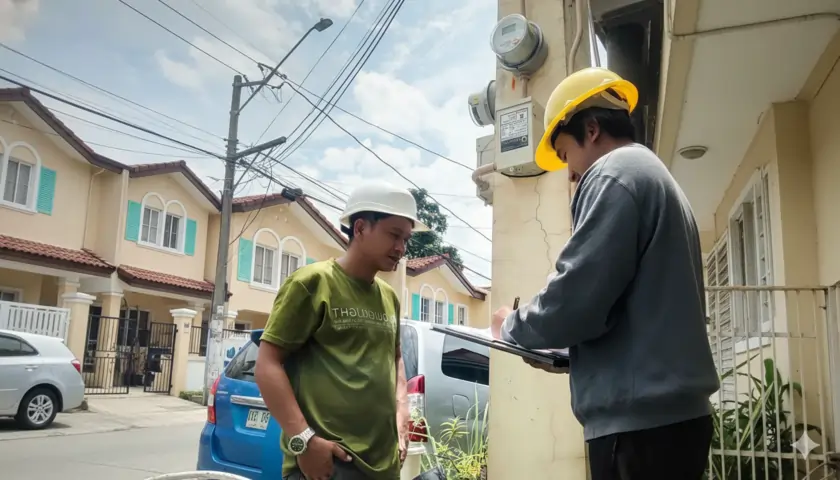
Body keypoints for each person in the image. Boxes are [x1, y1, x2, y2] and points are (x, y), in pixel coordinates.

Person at [490, 67, 720, 480]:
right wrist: (569, 357)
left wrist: (511, 327)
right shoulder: (650, 174)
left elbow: (576, 297)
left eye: (565, 155)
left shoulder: (613, 175)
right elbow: (625, 307)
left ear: (591, 129)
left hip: (641, 432)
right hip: (668, 422)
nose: (570, 173)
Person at [254, 182, 428, 480]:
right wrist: (305, 441)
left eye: (405, 239)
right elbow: (267, 365)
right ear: (360, 228)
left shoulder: (389, 297)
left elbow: (395, 358)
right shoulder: (312, 283)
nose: (401, 248)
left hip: (383, 466)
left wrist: (402, 411)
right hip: (328, 464)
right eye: (393, 235)